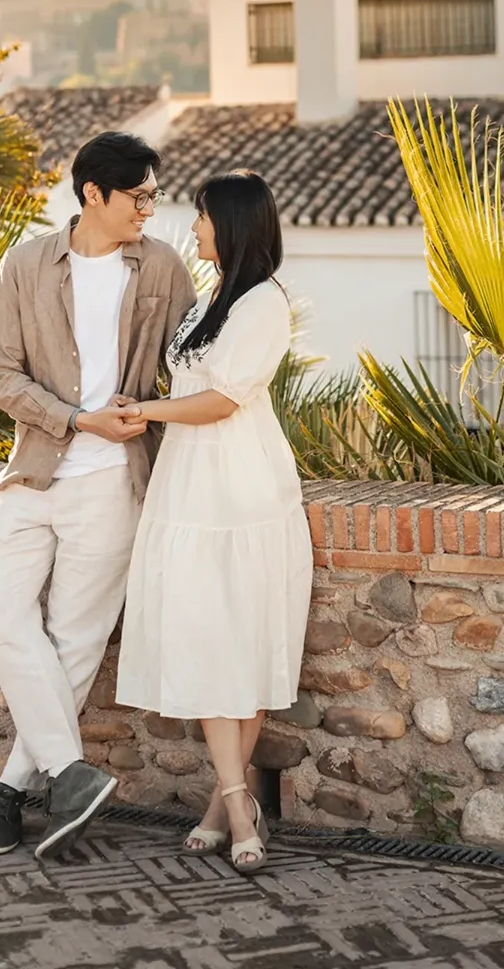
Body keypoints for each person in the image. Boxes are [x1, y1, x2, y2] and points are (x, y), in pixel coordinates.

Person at [0, 131, 196, 861]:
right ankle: (68, 772)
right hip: (36, 469)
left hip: (115, 481)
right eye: (139, 196)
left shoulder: (161, 265)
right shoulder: (25, 264)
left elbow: (191, 363)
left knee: (74, 641)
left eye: (155, 196)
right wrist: (74, 419)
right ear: (94, 194)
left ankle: (9, 793)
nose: (149, 210)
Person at [115, 169, 313, 875]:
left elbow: (223, 400)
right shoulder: (209, 303)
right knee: (208, 643)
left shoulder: (263, 304)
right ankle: (236, 807)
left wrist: (144, 411)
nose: (192, 228)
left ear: (229, 223)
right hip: (188, 490)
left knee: (242, 651)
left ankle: (226, 807)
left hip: (242, 493)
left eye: (199, 217)